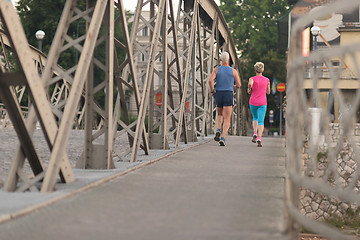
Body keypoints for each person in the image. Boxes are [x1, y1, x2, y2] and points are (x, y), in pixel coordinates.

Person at [208, 52, 241, 146]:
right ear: (229, 60)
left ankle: (218, 129)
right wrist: (232, 86)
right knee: (227, 118)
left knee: (219, 114)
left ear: (220, 60)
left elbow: (210, 80)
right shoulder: (234, 71)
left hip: (218, 94)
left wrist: (212, 91)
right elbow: (239, 85)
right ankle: (223, 137)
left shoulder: (217, 70)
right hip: (228, 94)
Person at [248, 62, 270, 147]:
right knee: (261, 120)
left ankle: (254, 133)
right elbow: (268, 92)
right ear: (263, 70)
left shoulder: (251, 79)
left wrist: (250, 87)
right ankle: (259, 138)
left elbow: (249, 90)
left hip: (253, 101)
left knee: (255, 117)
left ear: (255, 70)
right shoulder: (267, 80)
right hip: (262, 102)